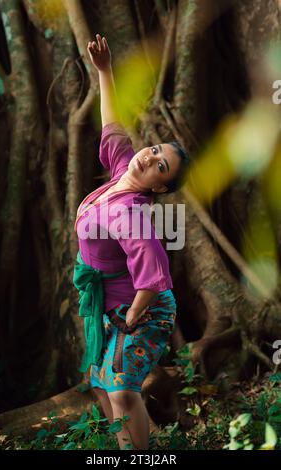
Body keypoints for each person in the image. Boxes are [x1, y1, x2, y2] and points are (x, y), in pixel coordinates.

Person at [73, 34, 190, 450]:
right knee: (101, 385)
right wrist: (104, 71)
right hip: (113, 303)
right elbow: (112, 123)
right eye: (156, 150)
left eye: (161, 166)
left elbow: (153, 277)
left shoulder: (132, 214)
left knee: (121, 390)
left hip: (146, 309)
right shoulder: (122, 166)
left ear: (160, 188)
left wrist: (129, 319)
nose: (149, 156)